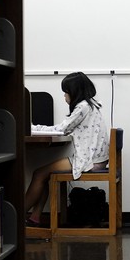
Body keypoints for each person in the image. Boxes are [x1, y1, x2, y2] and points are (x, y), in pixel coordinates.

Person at [24, 72, 109, 226]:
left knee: (39, 174)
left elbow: (62, 129)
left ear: (74, 91)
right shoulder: (91, 105)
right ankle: (35, 217)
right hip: (97, 159)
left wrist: (32, 128)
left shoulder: (83, 107)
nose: (64, 96)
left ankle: (15, 218)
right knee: (43, 175)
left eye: (66, 91)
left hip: (89, 161)